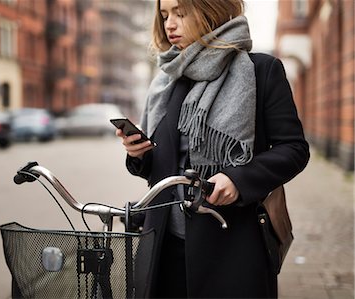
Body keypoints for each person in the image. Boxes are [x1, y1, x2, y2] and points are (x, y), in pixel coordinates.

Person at [115, 0, 310, 298]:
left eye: (180, 13)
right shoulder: (169, 80)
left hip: (232, 244)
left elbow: (294, 149)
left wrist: (239, 180)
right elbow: (163, 167)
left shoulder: (262, 70)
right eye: (165, 15)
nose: (169, 24)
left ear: (211, 11)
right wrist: (139, 154)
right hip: (163, 244)